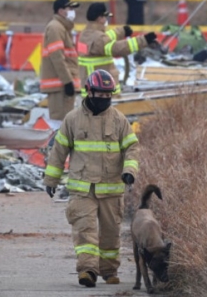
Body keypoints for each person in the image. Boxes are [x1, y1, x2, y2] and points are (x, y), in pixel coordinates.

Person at [43, 69, 140, 288]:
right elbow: (59, 151)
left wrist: (130, 170)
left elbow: (132, 148)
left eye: (108, 96)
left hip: (111, 190)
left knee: (111, 234)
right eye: (100, 95)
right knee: (84, 231)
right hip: (82, 189)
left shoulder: (118, 120)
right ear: (89, 92)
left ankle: (109, 270)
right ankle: (87, 270)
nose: (104, 99)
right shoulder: (73, 119)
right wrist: (51, 180)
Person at [78, 2, 158, 92]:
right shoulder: (98, 38)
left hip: (92, 86)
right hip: (102, 90)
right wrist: (143, 40)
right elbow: (116, 48)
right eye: (105, 17)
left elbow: (104, 39)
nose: (106, 20)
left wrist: (122, 31)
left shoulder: (85, 34)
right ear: (100, 18)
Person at [40, 0, 80, 121]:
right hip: (60, 85)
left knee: (66, 122)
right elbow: (57, 57)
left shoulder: (62, 28)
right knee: (60, 122)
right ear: (61, 10)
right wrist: (67, 81)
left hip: (62, 84)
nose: (72, 11)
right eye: (70, 8)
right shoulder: (55, 28)